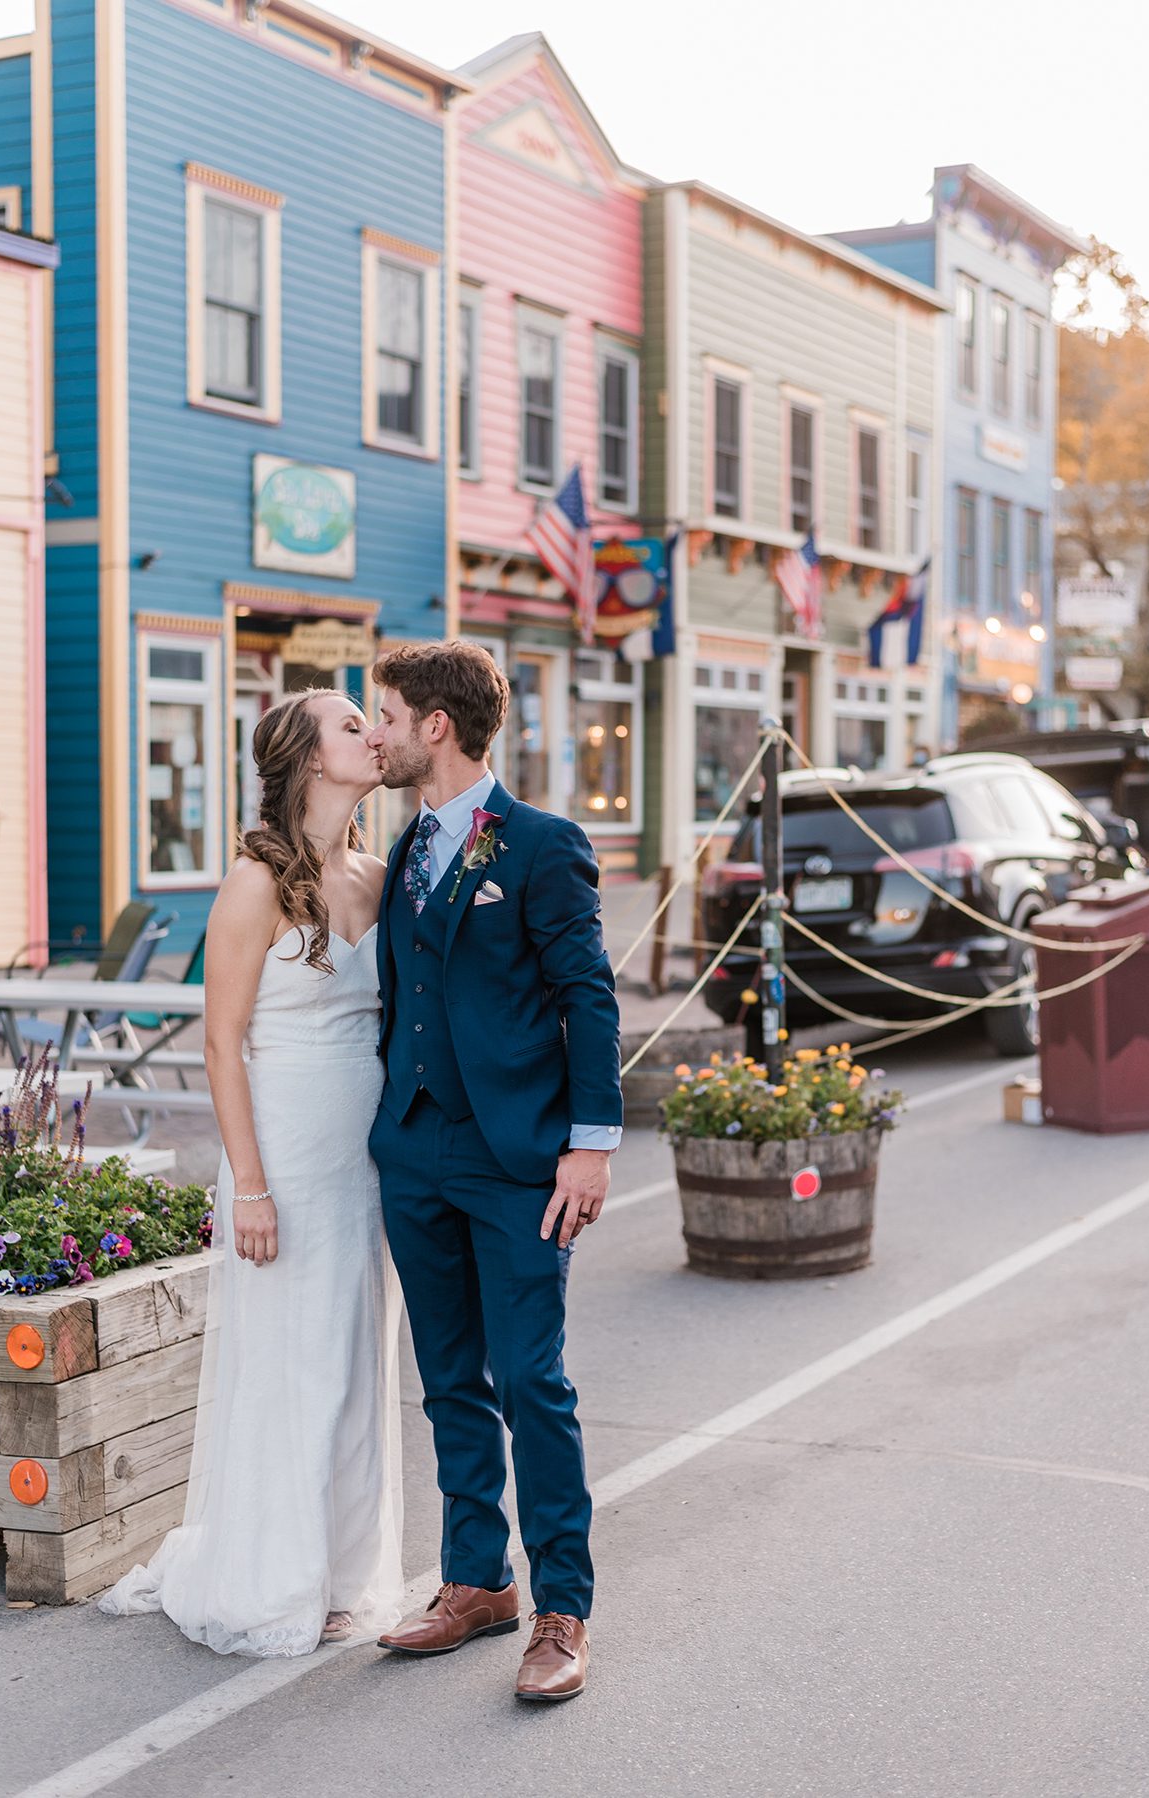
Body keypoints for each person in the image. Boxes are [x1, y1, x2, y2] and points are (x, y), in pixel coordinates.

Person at [99, 691, 403, 1657]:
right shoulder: (253, 883)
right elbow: (222, 1047)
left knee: (356, 1362)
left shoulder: (377, 874)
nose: (372, 733)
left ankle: (345, 1572)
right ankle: (276, 1571)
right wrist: (252, 1187)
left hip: (364, 1161)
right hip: (283, 1156)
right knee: (290, 1366)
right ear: (310, 760)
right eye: (352, 724)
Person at [366, 640, 622, 1703]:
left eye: (382, 714)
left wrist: (590, 1144)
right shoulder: (402, 854)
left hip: (519, 1157)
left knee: (532, 1382)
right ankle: (477, 1579)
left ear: (435, 724)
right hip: (413, 1148)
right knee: (449, 1382)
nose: (371, 732)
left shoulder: (543, 843)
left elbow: (588, 995)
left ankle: (562, 1605)